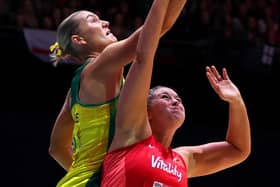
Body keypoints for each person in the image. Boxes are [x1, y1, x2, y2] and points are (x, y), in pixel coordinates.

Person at [100, 0, 251, 186]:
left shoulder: (182, 159)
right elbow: (143, 58)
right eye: (165, 97)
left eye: (178, 99)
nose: (176, 102)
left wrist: (236, 102)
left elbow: (238, 150)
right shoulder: (131, 134)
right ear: (146, 112)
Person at [48, 0, 188, 186]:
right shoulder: (101, 66)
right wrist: (99, 175)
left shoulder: (75, 89)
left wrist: (86, 173)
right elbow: (156, 30)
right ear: (79, 40)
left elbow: (57, 147)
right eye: (94, 20)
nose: (105, 22)